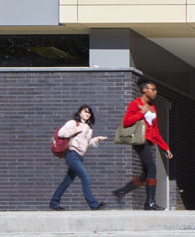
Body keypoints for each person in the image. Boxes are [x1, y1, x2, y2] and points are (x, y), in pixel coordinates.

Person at [113, 77, 174, 211]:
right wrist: (142, 112)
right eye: (153, 90)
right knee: (152, 168)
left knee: (145, 174)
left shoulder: (152, 107)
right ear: (145, 90)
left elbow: (156, 130)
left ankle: (121, 192)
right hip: (140, 141)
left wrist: (165, 148)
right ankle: (150, 202)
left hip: (149, 140)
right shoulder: (135, 104)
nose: (155, 92)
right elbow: (126, 122)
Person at [50, 105, 107, 210]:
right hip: (72, 154)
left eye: (89, 113)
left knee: (67, 181)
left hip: (80, 156)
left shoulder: (89, 128)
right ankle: (93, 203)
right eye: (85, 111)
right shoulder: (73, 123)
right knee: (85, 178)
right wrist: (77, 129)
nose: (87, 114)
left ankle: (54, 202)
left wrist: (96, 140)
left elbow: (85, 143)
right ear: (80, 112)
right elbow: (62, 133)